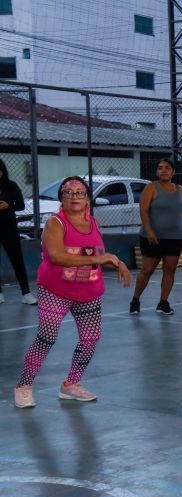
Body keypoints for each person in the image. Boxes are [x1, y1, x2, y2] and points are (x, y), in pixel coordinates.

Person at [14, 176, 132, 409]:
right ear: (61, 198)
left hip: (88, 292)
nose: (74, 196)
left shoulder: (94, 222)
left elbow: (96, 252)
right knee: (47, 337)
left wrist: (116, 261)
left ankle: (71, 385)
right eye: (68, 192)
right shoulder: (55, 223)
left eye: (79, 192)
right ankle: (24, 386)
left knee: (89, 340)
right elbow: (57, 256)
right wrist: (100, 258)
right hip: (54, 291)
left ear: (88, 198)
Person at [130, 159, 182, 315]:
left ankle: (163, 303)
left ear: (173, 172)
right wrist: (150, 231)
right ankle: (135, 300)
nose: (163, 171)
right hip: (153, 237)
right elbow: (143, 211)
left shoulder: (180, 189)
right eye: (160, 168)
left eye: (167, 168)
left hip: (175, 237)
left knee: (170, 269)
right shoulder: (151, 188)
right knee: (147, 269)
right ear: (157, 171)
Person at [0, 158, 37, 305]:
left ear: (2, 171)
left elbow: (21, 205)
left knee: (17, 260)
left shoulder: (11, 186)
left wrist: (8, 205)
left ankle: (26, 293)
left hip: (8, 228)